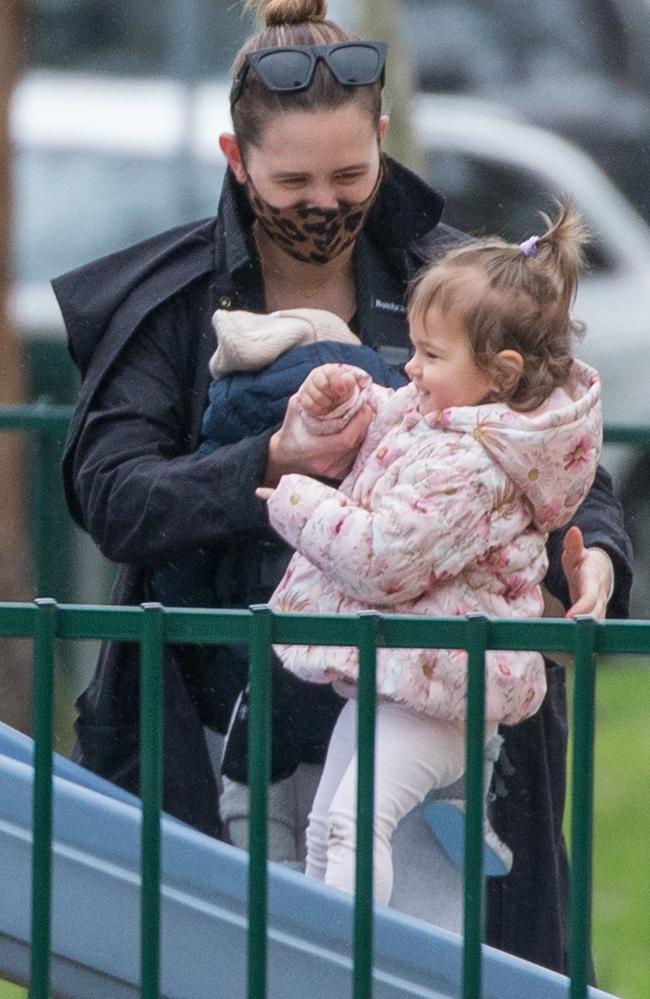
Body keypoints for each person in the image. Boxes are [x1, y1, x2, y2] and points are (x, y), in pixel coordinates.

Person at [51, 0, 632, 975]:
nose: (321, 202)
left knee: (429, 966)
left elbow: (559, 459)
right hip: (224, 718)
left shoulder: (463, 284)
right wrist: (272, 465)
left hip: (439, 721)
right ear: (235, 157)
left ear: (384, 141)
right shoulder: (173, 303)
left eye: (348, 175)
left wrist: (598, 560)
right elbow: (113, 497)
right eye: (291, 180)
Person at [257, 204, 602, 903]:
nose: (410, 369)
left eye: (430, 355)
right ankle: (327, 962)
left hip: (441, 692)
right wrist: (341, 402)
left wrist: (294, 500)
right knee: (326, 825)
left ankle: (357, 965)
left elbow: (385, 558)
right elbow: (397, 416)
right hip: (404, 672)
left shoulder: (476, 465)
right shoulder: (448, 418)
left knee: (355, 824)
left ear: (501, 374)